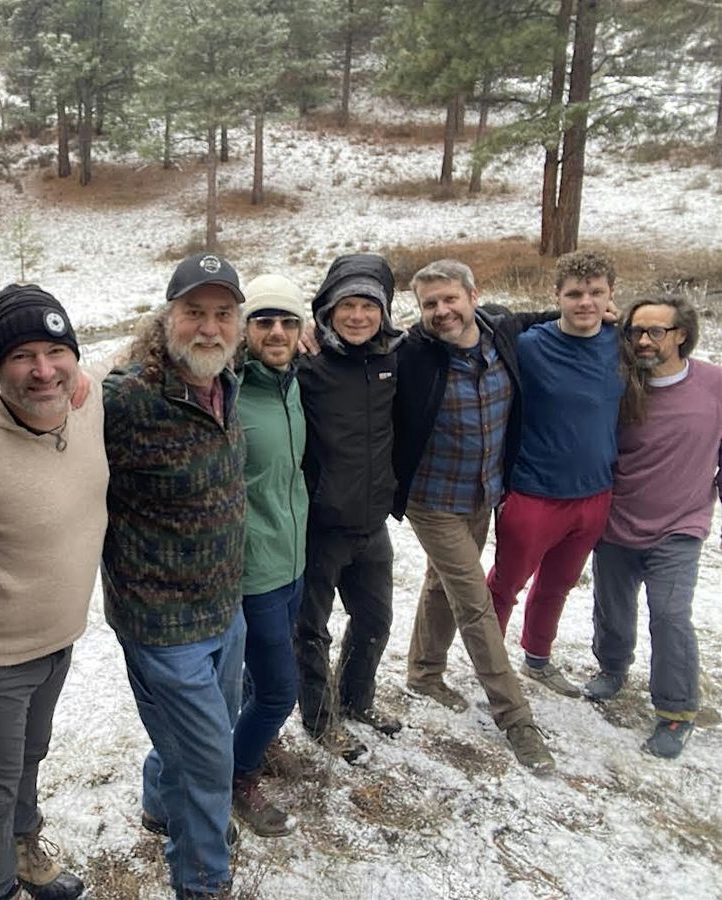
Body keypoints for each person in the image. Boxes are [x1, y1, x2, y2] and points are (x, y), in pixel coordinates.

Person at [102, 253, 247, 900]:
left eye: (223, 314)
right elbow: (47, 420)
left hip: (224, 608)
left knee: (199, 741)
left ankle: (162, 806)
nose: (209, 328)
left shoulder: (227, 380)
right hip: (161, 624)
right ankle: (202, 878)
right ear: (168, 318)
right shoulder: (128, 400)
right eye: (194, 313)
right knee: (207, 761)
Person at [0, 284, 105, 900]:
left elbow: (162, 354)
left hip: (60, 640)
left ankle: (24, 849)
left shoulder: (90, 401)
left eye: (56, 352)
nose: (44, 370)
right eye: (22, 356)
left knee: (31, 757)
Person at [393, 259, 555, 774]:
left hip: (483, 492)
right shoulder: (410, 352)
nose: (441, 311)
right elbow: (361, 349)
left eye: (450, 299)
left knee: (441, 583)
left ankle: (423, 672)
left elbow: (539, 318)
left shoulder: (501, 330)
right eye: (430, 304)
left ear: (473, 296)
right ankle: (516, 718)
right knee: (474, 601)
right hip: (431, 499)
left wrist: (595, 315)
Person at [585, 294, 722, 759]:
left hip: (680, 525)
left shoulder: (713, 384)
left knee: (669, 614)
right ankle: (612, 668)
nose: (643, 341)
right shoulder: (619, 386)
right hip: (616, 519)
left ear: (681, 334)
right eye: (635, 332)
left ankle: (676, 710)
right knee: (613, 606)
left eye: (655, 331)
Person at [487, 251, 623, 694]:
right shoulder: (528, 346)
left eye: (596, 292)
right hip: (534, 492)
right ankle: (489, 669)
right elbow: (479, 329)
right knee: (505, 585)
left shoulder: (621, 343)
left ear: (611, 295)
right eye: (575, 293)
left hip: (595, 492)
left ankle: (538, 658)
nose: (586, 302)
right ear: (557, 296)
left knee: (558, 585)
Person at [294, 254, 403, 763]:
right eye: (347, 306)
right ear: (327, 310)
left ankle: (358, 699)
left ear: (384, 312)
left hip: (372, 522)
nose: (358, 316)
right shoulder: (307, 363)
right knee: (310, 630)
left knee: (375, 620)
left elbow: (470, 324)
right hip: (320, 526)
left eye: (368, 306)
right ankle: (320, 720)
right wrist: (297, 332)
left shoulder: (394, 358)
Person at [231, 274, 308, 837]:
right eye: (264, 321)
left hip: (294, 559)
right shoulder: (229, 391)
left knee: (262, 683)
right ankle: (237, 775)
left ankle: (253, 742)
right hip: (254, 568)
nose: (276, 332)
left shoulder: (295, 384)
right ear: (245, 329)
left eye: (288, 321)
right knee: (281, 690)